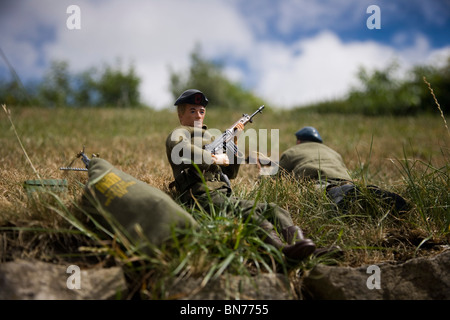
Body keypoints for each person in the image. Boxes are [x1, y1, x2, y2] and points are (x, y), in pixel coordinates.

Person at [165, 89, 317, 262]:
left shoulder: (210, 136)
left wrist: (232, 142)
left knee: (274, 209)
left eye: (201, 111)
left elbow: (230, 173)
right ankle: (282, 251)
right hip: (199, 196)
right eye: (192, 111)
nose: (198, 116)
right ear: (180, 114)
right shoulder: (179, 134)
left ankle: (303, 246)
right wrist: (214, 158)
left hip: (221, 194)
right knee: (251, 214)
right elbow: (183, 151)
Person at [278, 126, 409, 212]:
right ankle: (366, 193)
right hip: (345, 178)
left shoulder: (292, 151)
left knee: (322, 191)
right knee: (351, 191)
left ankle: (341, 193)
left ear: (299, 141)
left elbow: (276, 177)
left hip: (316, 178)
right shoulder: (333, 152)